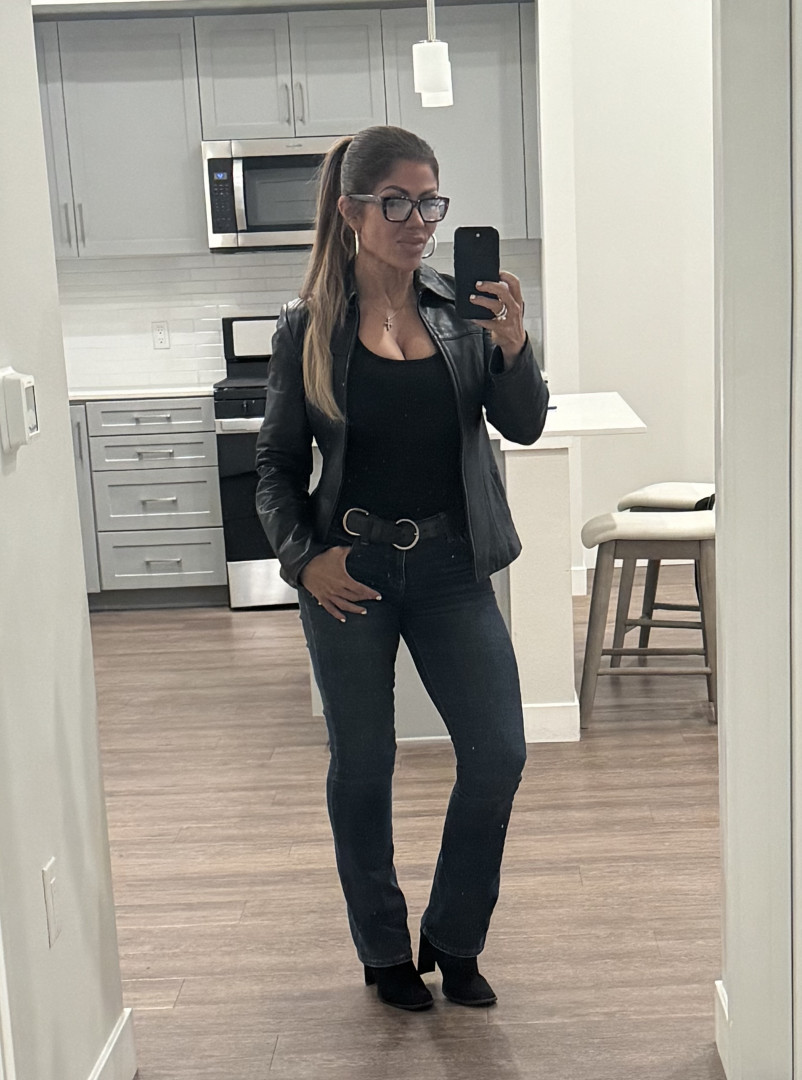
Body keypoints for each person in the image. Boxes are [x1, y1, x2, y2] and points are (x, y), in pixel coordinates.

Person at [255, 125, 549, 1013]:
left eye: (430, 202)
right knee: (364, 764)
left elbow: (524, 423)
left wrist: (515, 345)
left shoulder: (462, 312)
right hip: (350, 573)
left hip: (454, 565)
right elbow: (275, 467)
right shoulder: (308, 328)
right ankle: (383, 950)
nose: (419, 221)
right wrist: (304, 561)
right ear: (352, 211)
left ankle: (454, 939)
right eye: (398, 203)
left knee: (498, 754)